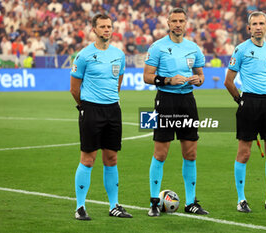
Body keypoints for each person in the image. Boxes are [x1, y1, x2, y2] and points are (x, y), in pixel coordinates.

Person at [143, 7, 209, 217]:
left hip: (188, 101)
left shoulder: (194, 48)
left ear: (186, 23)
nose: (178, 24)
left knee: (190, 153)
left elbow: (201, 75)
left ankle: (191, 202)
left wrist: (198, 80)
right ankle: (154, 201)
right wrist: (168, 80)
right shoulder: (157, 47)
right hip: (166, 101)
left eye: (181, 21)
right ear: (168, 23)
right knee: (161, 153)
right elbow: (147, 76)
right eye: (174, 21)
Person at [224, 11, 266, 213]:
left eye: (262, 23)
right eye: (255, 24)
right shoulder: (241, 49)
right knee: (244, 153)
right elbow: (228, 81)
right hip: (249, 102)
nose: (258, 27)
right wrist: (240, 100)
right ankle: (241, 199)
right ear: (249, 28)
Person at [70, 14, 132, 220]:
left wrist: (111, 100)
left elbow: (118, 81)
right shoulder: (84, 55)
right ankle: (80, 207)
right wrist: (84, 106)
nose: (107, 29)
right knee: (88, 159)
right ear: (94, 29)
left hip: (113, 110)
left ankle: (114, 205)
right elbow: (74, 88)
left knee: (112, 158)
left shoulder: (118, 54)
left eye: (109, 26)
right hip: (91, 110)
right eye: (102, 26)